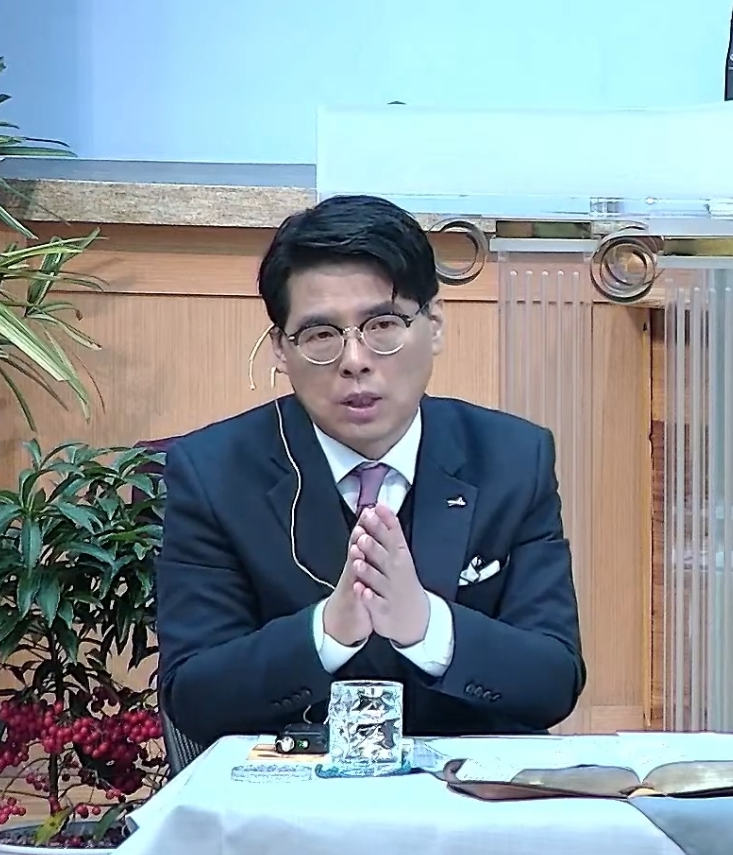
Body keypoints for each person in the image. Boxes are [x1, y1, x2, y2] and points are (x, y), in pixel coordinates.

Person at [155, 194, 585, 748]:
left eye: (382, 324)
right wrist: (327, 633)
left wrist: (427, 627)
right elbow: (193, 695)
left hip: (466, 794)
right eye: (320, 335)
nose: (354, 360)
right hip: (297, 789)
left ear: (433, 326)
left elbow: (553, 681)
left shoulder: (513, 459)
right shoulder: (214, 473)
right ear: (281, 350)